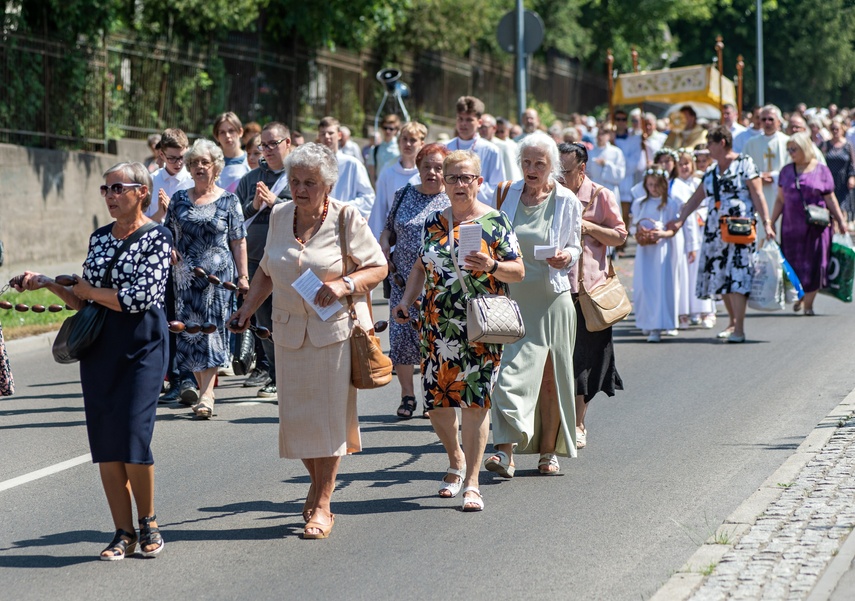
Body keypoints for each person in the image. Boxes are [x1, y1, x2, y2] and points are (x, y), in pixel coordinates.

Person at [13, 162, 172, 559]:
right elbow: (83, 299)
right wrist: (50, 283)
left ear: (142, 192)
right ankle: (122, 532)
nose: (110, 195)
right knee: (105, 442)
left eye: (118, 188)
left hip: (142, 346)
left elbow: (140, 297)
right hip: (101, 347)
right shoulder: (99, 238)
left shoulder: (158, 237)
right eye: (106, 189)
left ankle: (148, 522)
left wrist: (88, 289)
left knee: (134, 435)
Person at [228, 143, 387, 538]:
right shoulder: (280, 215)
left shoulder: (346, 217)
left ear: (327, 186)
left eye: (310, 183)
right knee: (298, 422)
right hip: (287, 333)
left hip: (332, 332)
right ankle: (317, 487)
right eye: (295, 181)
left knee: (329, 421)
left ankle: (323, 504)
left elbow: (379, 266)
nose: (300, 189)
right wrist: (247, 309)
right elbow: (265, 271)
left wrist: (343, 284)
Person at [393, 150, 523, 511]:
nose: (460, 184)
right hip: (437, 325)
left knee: (475, 403)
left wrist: (493, 265)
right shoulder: (434, 221)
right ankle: (455, 459)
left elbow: (519, 271)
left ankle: (472, 482)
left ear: (479, 182)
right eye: (453, 178)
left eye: (467, 178)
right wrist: (406, 300)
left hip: (480, 326)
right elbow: (420, 266)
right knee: (437, 404)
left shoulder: (496, 222)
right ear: (444, 184)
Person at [485, 133, 582, 477]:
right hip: (512, 298)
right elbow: (487, 231)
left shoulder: (567, 199)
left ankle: (547, 453)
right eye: (526, 162)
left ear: (552, 166)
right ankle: (504, 452)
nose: (531, 169)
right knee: (506, 373)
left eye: (539, 163)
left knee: (550, 379)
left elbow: (576, 247)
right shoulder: (505, 194)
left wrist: (565, 256)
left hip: (552, 299)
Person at [668, 126, 776, 343]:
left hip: (740, 231)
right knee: (722, 279)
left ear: (722, 143)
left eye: (710, 143)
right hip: (716, 233)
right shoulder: (712, 172)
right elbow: (695, 200)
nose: (708, 148)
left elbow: (758, 195)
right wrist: (680, 220)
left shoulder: (745, 163)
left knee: (738, 278)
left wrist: (767, 222)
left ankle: (740, 329)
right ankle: (732, 322)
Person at [165, 139, 249, 418]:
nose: (199, 167)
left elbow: (238, 241)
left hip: (217, 281)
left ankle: (207, 394)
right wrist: (171, 250)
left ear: (216, 166)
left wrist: (244, 276)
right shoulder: (178, 199)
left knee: (211, 332)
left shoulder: (229, 200)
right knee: (191, 336)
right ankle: (204, 389)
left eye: (204, 162)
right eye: (194, 163)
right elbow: (168, 235)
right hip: (186, 279)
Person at [558, 142, 626, 449]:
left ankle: (578, 422)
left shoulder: (600, 195)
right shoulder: (552, 195)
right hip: (555, 288)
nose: (559, 176)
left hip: (589, 290)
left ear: (581, 169)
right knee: (557, 358)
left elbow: (620, 235)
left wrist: (587, 226)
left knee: (584, 360)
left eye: (565, 171)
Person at [380, 143, 450, 418]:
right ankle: (407, 396)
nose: (431, 172)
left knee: (432, 342)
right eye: (426, 167)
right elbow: (388, 229)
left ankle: (430, 396)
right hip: (401, 281)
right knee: (400, 341)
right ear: (418, 168)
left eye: (438, 167)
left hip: (437, 286)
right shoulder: (403, 194)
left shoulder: (451, 200)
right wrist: (384, 245)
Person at [235, 122, 292, 399]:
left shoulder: (299, 175)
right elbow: (237, 216)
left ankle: (294, 373)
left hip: (291, 259)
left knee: (291, 318)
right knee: (264, 319)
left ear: (288, 143)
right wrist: (255, 205)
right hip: (258, 259)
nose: (268, 150)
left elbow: (311, 210)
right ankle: (276, 376)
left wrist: (276, 203)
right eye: (264, 145)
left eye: (273, 144)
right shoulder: (250, 179)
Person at [771, 132, 847, 315]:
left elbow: (830, 199)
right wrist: (771, 221)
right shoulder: (787, 171)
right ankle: (801, 295)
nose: (790, 152)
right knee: (795, 265)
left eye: (794, 149)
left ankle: (808, 304)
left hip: (816, 228)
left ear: (805, 147)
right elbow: (780, 200)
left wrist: (841, 221)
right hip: (791, 228)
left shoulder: (821, 170)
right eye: (788, 149)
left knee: (816, 265)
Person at [631, 168, 684, 342]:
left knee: (660, 286)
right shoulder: (640, 203)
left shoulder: (671, 203)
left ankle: (658, 327)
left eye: (656, 185)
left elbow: (674, 229)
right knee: (644, 286)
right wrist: (640, 230)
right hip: (645, 249)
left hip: (662, 250)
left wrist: (662, 234)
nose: (653, 188)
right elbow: (632, 226)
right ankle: (646, 322)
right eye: (650, 185)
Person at [677, 149, 716, 327]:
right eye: (680, 164)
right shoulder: (673, 184)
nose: (684, 167)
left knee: (701, 269)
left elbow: (708, 202)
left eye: (687, 163)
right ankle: (687, 311)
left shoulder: (698, 181)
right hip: (682, 232)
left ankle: (706, 310)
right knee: (685, 273)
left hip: (700, 230)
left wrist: (702, 214)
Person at [369, 121, 427, 238]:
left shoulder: (426, 173)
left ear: (422, 144)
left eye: (413, 140)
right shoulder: (388, 171)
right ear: (399, 141)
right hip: (392, 237)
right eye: (404, 139)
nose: (408, 144)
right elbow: (379, 208)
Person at [445, 96, 506, 205]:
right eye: (460, 119)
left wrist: (467, 187)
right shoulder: (445, 147)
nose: (463, 123)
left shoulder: (491, 150)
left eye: (469, 119)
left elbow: (497, 189)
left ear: (479, 122)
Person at [743, 105, 791, 235]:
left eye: (771, 119)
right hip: (758, 193)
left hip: (780, 195)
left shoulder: (787, 142)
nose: (767, 123)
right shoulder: (751, 143)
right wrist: (757, 177)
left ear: (779, 121)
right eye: (763, 119)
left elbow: (792, 168)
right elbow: (744, 168)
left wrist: (775, 176)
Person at [317, 116, 375, 220]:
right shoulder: (313, 165)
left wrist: (341, 208)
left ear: (339, 135)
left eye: (330, 133)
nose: (326, 137)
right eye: (322, 133)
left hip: (344, 224)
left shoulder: (352, 164)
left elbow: (368, 199)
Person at [148, 128, 193, 223]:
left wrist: (173, 211)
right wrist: (160, 214)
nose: (178, 163)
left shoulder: (194, 181)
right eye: (172, 158)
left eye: (182, 157)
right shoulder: (151, 181)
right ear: (161, 155)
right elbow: (141, 225)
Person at [819, 119, 855, 222]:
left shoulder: (847, 145)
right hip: (828, 179)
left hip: (843, 181)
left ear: (842, 130)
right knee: (830, 207)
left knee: (842, 207)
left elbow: (852, 163)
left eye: (837, 129)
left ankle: (842, 231)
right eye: (832, 129)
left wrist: (852, 177)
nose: (835, 131)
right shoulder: (825, 145)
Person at [213, 111, 250, 194]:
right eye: (222, 132)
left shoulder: (250, 161)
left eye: (231, 131)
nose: (227, 136)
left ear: (240, 132)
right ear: (216, 136)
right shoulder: (211, 163)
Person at [587, 124, 626, 200]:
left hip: (610, 191)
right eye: (599, 134)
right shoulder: (590, 153)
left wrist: (606, 164)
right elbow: (587, 173)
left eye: (603, 134)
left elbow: (620, 174)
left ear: (608, 136)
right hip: (594, 191)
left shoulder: (616, 152)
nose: (600, 137)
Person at [480, 113, 521, 181]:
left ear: (494, 128)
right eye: (479, 127)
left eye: (484, 127)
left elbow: (511, 174)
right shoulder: (476, 145)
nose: (481, 130)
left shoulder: (504, 147)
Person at [366, 114, 401, 182]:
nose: (387, 131)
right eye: (385, 128)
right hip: (380, 187)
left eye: (391, 129)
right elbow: (372, 175)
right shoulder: (374, 150)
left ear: (396, 130)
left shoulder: (400, 149)